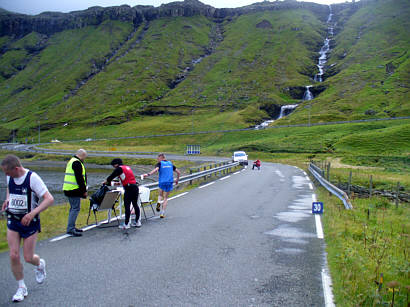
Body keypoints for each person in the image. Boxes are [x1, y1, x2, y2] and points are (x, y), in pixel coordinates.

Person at [1, 154, 54, 302]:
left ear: (16, 168)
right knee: (13, 254)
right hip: (13, 219)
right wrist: (7, 199)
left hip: (30, 222)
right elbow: (9, 188)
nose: (6, 175)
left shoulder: (33, 178)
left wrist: (32, 214)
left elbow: (49, 199)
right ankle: (21, 287)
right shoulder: (9, 176)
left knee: (28, 257)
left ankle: (40, 264)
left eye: (7, 172)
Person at [104, 158, 141, 229]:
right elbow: (124, 179)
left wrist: (106, 182)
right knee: (135, 204)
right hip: (135, 187)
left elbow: (111, 177)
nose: (114, 167)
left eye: (113, 166)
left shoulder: (119, 169)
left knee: (127, 206)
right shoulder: (127, 167)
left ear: (116, 164)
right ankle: (137, 222)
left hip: (129, 188)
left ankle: (126, 224)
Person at [143, 153, 180, 218]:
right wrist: (177, 180)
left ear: (162, 158)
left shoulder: (160, 164)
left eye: (158, 158)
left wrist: (148, 174)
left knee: (160, 195)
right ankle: (162, 214)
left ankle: (158, 203)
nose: (157, 160)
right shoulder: (170, 164)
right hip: (169, 182)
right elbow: (178, 172)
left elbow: (155, 170)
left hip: (162, 182)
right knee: (165, 198)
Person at [63, 149, 88, 237]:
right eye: (84, 157)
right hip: (73, 189)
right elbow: (79, 178)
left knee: (73, 208)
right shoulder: (77, 163)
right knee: (75, 208)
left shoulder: (72, 161)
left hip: (69, 188)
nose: (84, 159)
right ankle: (70, 229)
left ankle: (72, 227)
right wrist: (84, 191)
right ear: (82, 155)